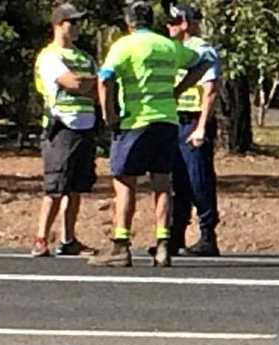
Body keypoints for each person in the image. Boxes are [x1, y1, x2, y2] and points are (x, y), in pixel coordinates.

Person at [90, 1, 212, 268]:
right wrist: (178, 89)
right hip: (167, 120)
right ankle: (163, 244)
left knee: (124, 182)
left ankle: (121, 244)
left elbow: (104, 78)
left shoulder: (124, 46)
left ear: (129, 22)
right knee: (162, 182)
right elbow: (204, 62)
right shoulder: (167, 46)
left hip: (136, 121)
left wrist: (108, 114)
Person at [32, 3, 98, 258]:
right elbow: (73, 83)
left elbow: (94, 87)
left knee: (76, 187)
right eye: (73, 22)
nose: (78, 27)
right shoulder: (50, 56)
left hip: (86, 125)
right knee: (55, 186)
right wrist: (88, 84)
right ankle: (41, 239)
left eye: (79, 22)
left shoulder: (85, 57)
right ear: (59, 25)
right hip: (62, 126)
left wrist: (89, 85)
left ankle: (68, 239)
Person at [165, 4, 221, 257]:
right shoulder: (172, 50)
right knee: (178, 181)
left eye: (173, 21)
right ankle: (175, 235)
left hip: (194, 121)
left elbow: (210, 90)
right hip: (174, 122)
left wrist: (201, 128)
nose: (169, 26)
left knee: (199, 180)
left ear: (186, 23)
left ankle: (207, 235)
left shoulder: (201, 49)